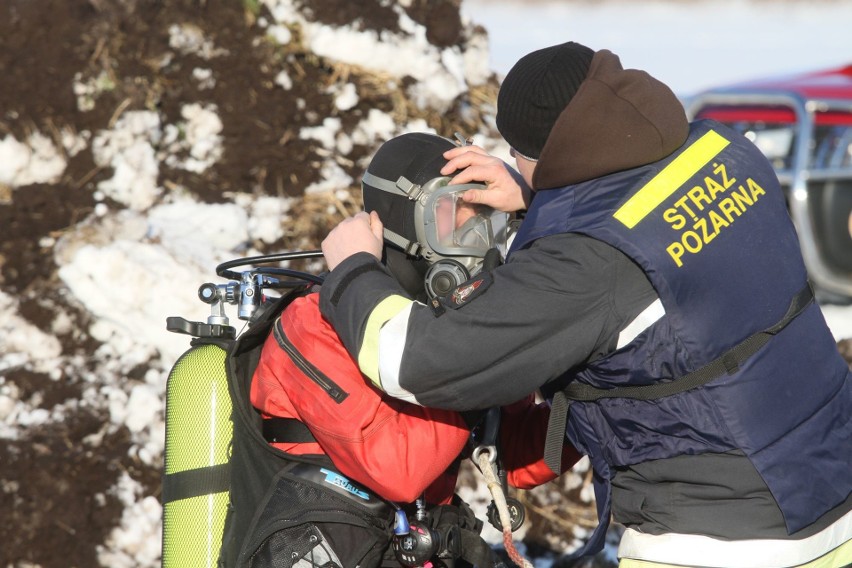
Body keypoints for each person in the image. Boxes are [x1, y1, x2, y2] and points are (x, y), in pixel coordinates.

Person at [317, 42, 852, 567]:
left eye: (519, 157)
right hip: (833, 483)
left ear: (541, 156)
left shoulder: (586, 265)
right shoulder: (721, 148)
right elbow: (650, 231)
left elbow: (420, 362)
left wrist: (353, 271)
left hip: (722, 540)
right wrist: (541, 197)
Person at [249, 131, 581, 568]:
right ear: (400, 223)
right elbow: (397, 469)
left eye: (486, 216)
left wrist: (591, 391)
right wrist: (479, 359)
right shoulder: (315, 323)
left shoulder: (452, 328)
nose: (476, 236)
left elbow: (518, 455)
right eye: (452, 216)